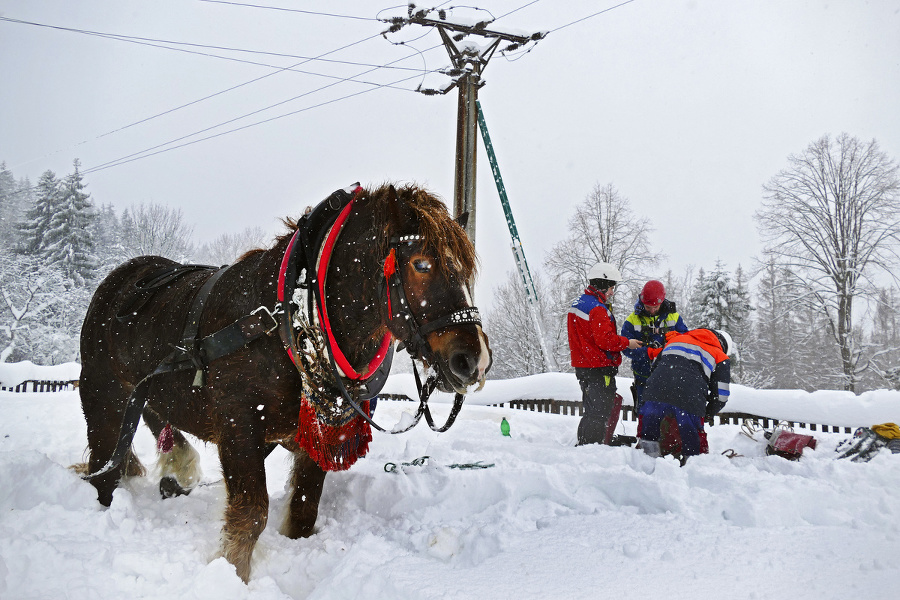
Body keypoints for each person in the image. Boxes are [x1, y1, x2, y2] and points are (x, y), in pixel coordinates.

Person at [567, 262, 643, 446]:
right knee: (601, 409)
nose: (612, 292)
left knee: (591, 408)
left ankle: (589, 440)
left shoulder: (578, 304)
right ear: (602, 284)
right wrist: (628, 343)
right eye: (611, 287)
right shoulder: (597, 308)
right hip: (599, 367)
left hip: (584, 365)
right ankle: (593, 445)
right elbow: (606, 341)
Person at [637, 328, 733, 463]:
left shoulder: (675, 340)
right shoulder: (720, 355)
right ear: (723, 346)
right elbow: (721, 395)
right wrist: (709, 413)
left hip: (654, 394)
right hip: (689, 401)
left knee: (647, 440)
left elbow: (655, 368)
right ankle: (692, 470)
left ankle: (645, 467)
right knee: (693, 444)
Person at [621, 280, 688, 412]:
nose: (652, 310)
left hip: (670, 377)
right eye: (648, 307)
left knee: (669, 416)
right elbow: (624, 347)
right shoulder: (632, 320)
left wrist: (678, 338)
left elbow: (689, 342)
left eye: (655, 307)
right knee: (645, 414)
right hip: (643, 377)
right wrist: (647, 353)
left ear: (662, 302)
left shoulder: (673, 317)